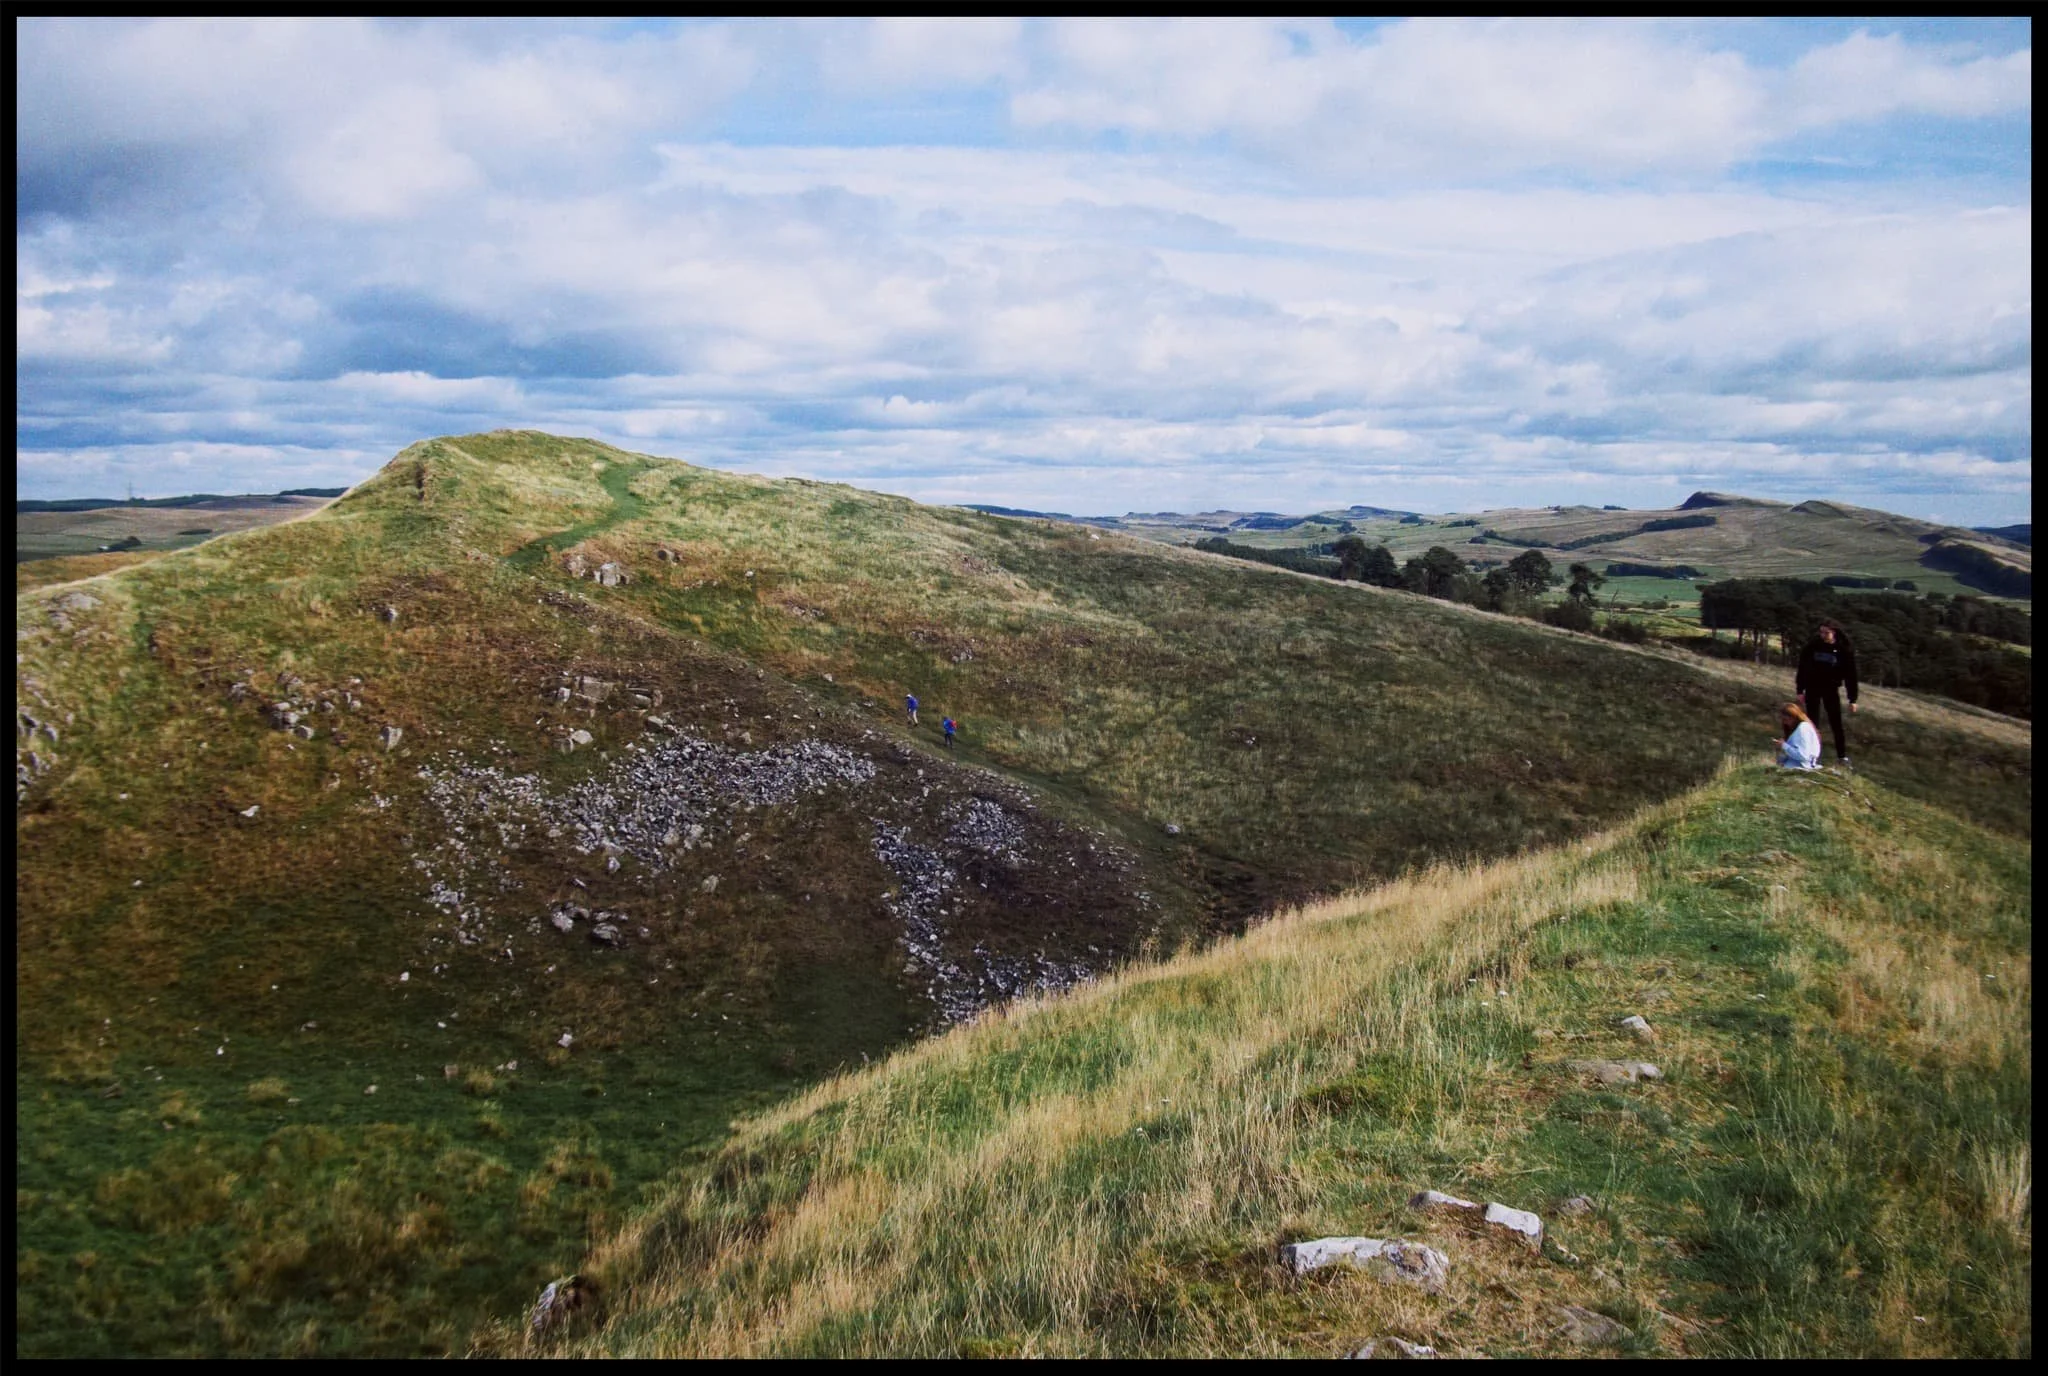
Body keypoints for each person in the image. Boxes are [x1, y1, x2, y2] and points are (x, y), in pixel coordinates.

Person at [1795, 621, 1859, 767]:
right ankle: (1811, 755)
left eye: (1826, 632)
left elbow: (1851, 676)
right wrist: (1800, 689)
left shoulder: (1843, 650)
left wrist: (1852, 699)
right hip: (1812, 688)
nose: (1822, 635)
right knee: (1811, 723)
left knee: (1836, 723)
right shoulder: (1813, 647)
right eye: (1821, 632)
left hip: (1830, 689)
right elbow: (1802, 668)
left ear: (1834, 632)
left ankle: (1841, 757)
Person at [1776, 701, 1822, 771]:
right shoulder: (1795, 730)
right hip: (1792, 765)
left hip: (1801, 767)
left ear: (1794, 717)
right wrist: (1779, 749)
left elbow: (1803, 755)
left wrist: (1784, 746)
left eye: (1786, 720)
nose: (1784, 723)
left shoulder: (1803, 728)